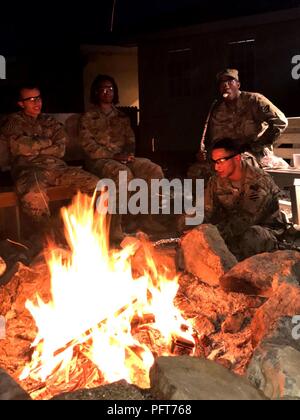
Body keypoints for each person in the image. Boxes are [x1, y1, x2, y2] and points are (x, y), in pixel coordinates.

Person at [0, 84, 99, 236]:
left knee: (97, 186)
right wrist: (47, 142)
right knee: (33, 194)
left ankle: (84, 232)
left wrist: (34, 147)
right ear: (21, 103)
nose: (37, 102)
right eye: (31, 99)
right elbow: (20, 148)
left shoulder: (50, 121)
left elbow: (60, 149)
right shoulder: (13, 122)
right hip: (30, 169)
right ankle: (47, 240)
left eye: (38, 98)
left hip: (57, 168)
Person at [79, 74, 166, 242]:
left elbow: (130, 141)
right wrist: (114, 156)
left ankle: (147, 219)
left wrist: (127, 156)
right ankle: (116, 226)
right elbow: (88, 146)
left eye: (110, 89)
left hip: (122, 159)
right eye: (103, 89)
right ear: (96, 92)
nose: (107, 92)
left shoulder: (122, 117)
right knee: (123, 175)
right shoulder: (88, 117)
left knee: (153, 169)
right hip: (98, 161)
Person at [188, 68, 288, 184]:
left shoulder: (254, 101)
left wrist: (257, 144)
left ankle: (244, 199)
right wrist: (208, 154)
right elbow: (217, 141)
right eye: (222, 83)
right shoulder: (218, 111)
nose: (225, 85)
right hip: (228, 157)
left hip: (256, 155)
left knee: (237, 166)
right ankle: (211, 200)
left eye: (230, 81)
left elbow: (280, 121)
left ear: (238, 84)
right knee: (196, 171)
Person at [202, 138, 288, 260]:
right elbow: (206, 210)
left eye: (221, 161)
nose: (216, 167)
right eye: (214, 162)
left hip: (265, 230)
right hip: (230, 229)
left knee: (251, 237)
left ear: (237, 158)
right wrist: (189, 226)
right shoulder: (216, 181)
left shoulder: (259, 181)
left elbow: (246, 219)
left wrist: (212, 235)